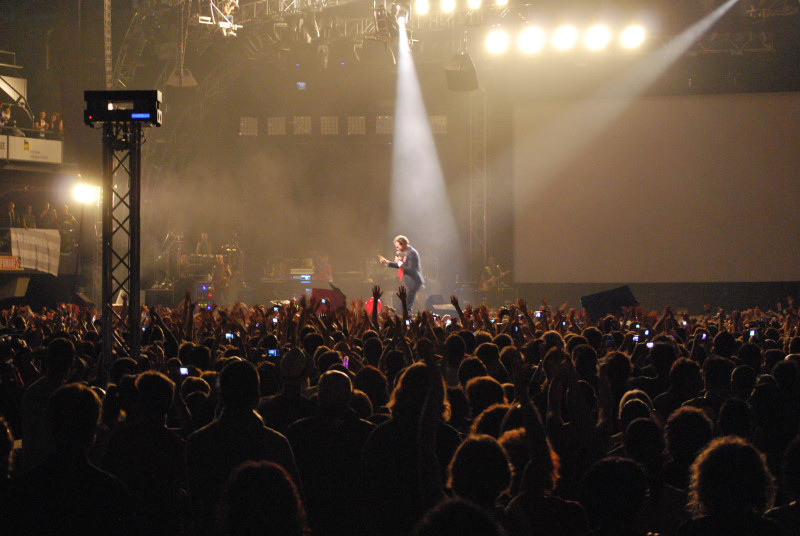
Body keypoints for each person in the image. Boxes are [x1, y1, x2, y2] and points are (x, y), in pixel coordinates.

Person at [378, 234, 424, 312]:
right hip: (410, 282)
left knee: (406, 306)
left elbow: (410, 269)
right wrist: (387, 262)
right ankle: (404, 316)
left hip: (414, 282)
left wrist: (399, 262)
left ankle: (406, 318)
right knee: (405, 305)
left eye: (397, 247)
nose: (397, 249)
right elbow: (402, 266)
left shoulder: (412, 253)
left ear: (403, 244)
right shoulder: (406, 253)